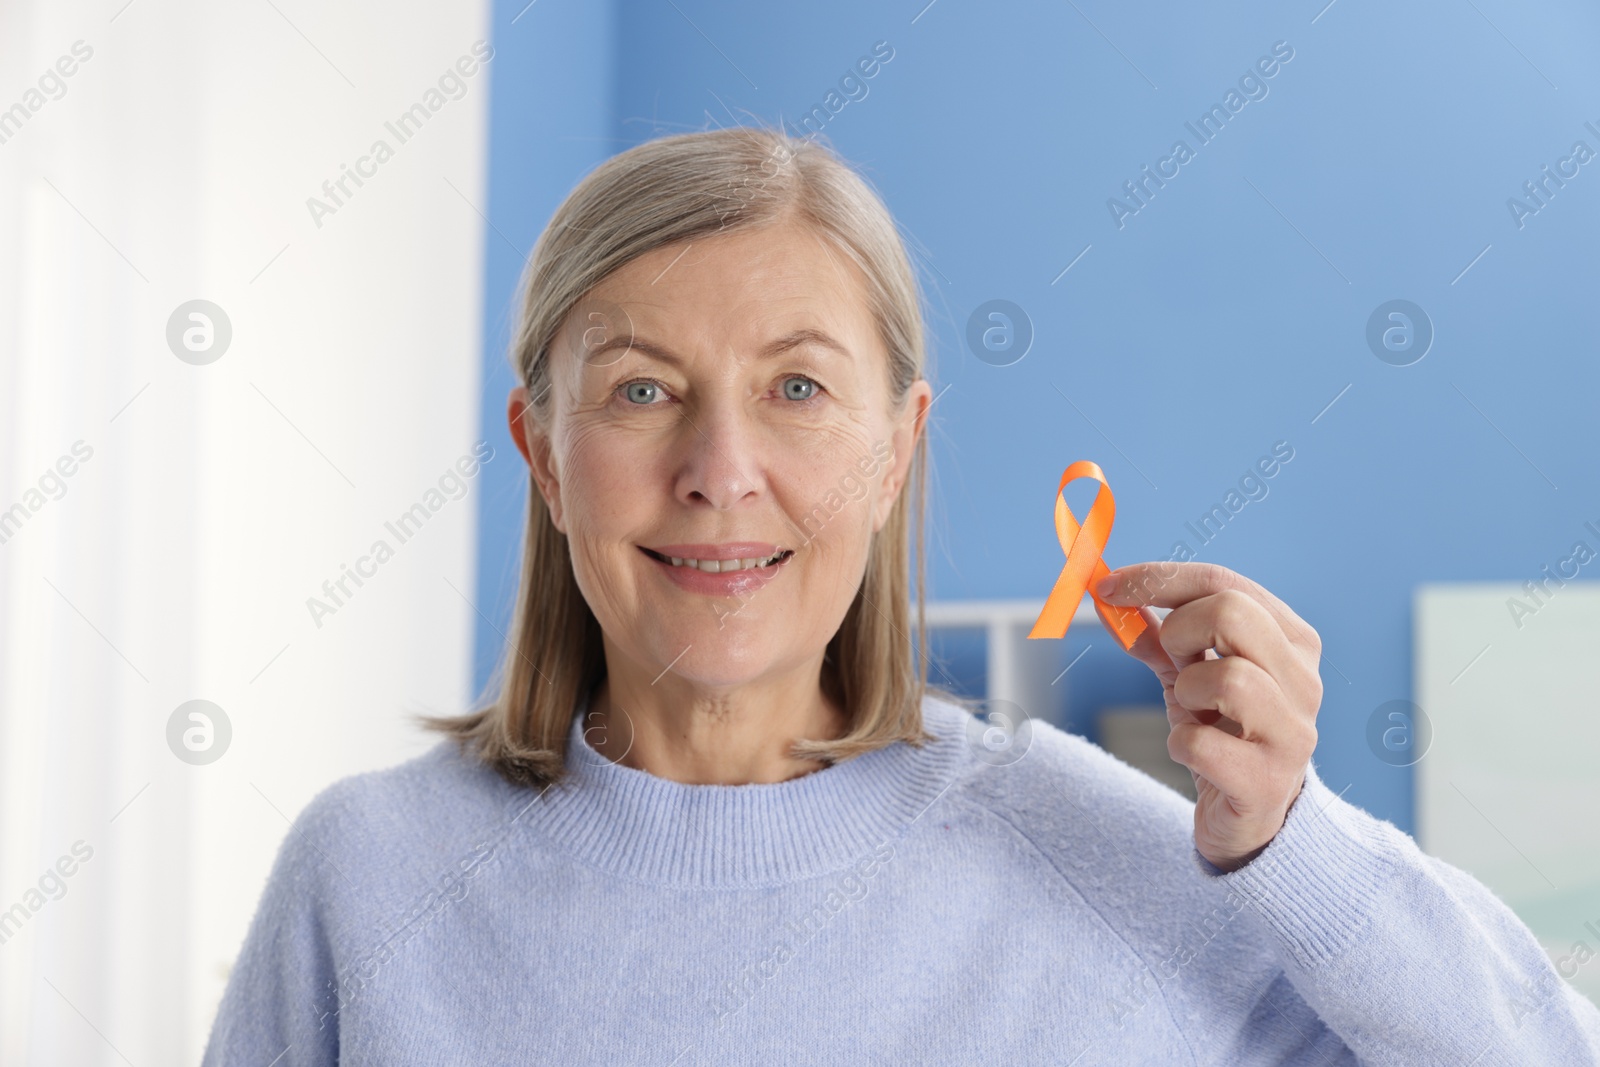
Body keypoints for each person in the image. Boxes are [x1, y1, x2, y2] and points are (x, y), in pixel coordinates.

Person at [201, 126, 1600, 1065]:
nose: (720, 472)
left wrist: (1296, 846)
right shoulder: (365, 878)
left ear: (896, 452)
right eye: (642, 391)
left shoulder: (1100, 859)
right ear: (543, 456)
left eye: (797, 388)